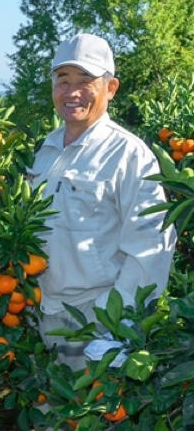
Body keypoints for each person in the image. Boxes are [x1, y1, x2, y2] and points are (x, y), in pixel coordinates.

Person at [29, 32, 176, 371]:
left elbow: (152, 248)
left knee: (85, 419)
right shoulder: (46, 150)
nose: (72, 92)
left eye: (85, 81)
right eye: (63, 80)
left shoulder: (127, 154)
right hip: (42, 314)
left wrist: (116, 329)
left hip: (94, 322)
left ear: (110, 88)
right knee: (50, 418)